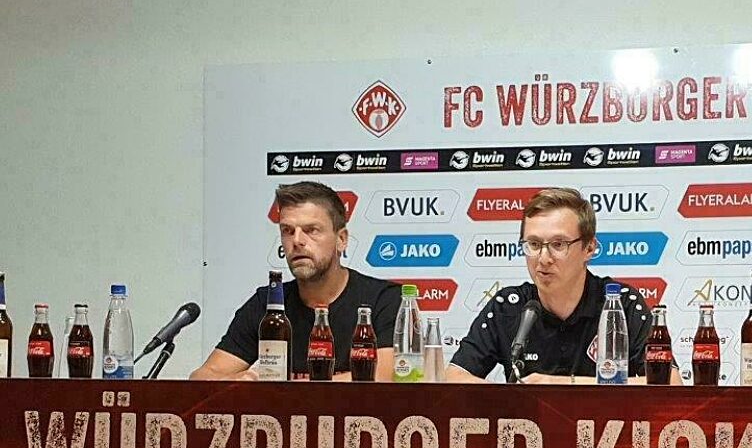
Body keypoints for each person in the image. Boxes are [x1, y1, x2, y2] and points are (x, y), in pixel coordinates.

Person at [447, 187, 676, 384]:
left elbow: (670, 383)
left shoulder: (621, 305)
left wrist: (562, 385)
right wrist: (515, 394)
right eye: (534, 244)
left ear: (589, 248)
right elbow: (455, 377)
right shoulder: (508, 306)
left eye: (558, 244)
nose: (543, 258)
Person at [191, 181, 401, 381]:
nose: (297, 241)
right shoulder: (269, 304)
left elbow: (384, 376)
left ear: (342, 239)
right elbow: (202, 377)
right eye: (287, 231)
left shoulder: (383, 300)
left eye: (311, 230)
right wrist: (239, 381)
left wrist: (287, 388)